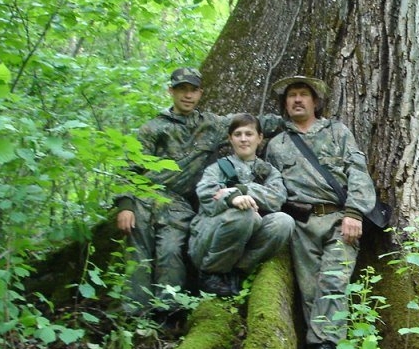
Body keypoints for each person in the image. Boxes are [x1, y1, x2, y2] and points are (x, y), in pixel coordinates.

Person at [263, 75, 377, 349]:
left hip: (340, 220)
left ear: (315, 102)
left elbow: (358, 173)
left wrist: (354, 212)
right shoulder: (276, 144)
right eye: (291, 96)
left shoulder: (338, 132)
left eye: (303, 95)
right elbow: (271, 187)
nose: (297, 100)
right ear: (285, 104)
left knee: (333, 281)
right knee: (310, 289)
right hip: (301, 224)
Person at [115, 67, 230, 316]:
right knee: (138, 257)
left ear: (200, 93)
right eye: (181, 90)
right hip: (144, 200)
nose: (187, 96)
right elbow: (129, 167)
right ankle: (134, 317)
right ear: (171, 91)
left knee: (171, 252)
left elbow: (250, 124)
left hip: (178, 205)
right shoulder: (154, 128)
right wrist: (125, 205)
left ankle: (166, 314)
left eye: (192, 90)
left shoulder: (212, 125)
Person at [188, 114, 294, 297]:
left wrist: (243, 190)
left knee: (284, 222)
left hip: (246, 243)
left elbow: (277, 198)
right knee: (244, 215)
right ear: (230, 139)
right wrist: (231, 199)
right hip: (208, 241)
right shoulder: (217, 168)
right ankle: (210, 275)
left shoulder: (269, 172)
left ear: (260, 138)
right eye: (238, 134)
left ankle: (237, 273)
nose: (244, 139)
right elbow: (206, 194)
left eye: (249, 134)